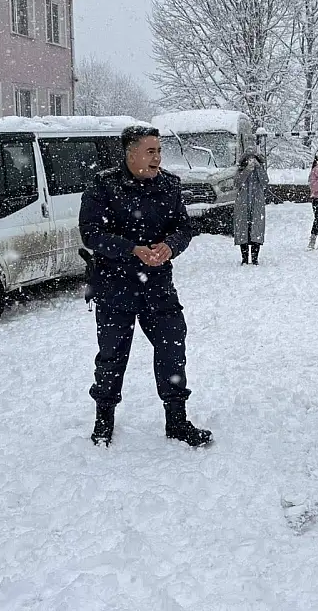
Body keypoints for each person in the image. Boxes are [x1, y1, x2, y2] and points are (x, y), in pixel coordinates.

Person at [80, 125, 211, 448]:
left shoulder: (169, 186)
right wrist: (131, 249)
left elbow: (183, 227)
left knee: (172, 349)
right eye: (150, 151)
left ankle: (177, 420)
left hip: (158, 286)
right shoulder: (103, 185)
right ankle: (103, 419)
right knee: (112, 355)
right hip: (115, 286)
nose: (157, 158)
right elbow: (91, 233)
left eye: (159, 151)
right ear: (131, 153)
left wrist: (171, 245)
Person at [233, 150, 268, 265]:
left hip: (257, 204)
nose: (251, 161)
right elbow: (237, 183)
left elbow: (265, 181)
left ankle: (255, 258)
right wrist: (247, 170)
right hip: (243, 205)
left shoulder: (260, 170)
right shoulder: (241, 170)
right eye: (249, 159)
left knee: (256, 230)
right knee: (243, 230)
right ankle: (244, 258)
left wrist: (258, 168)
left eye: (253, 159)